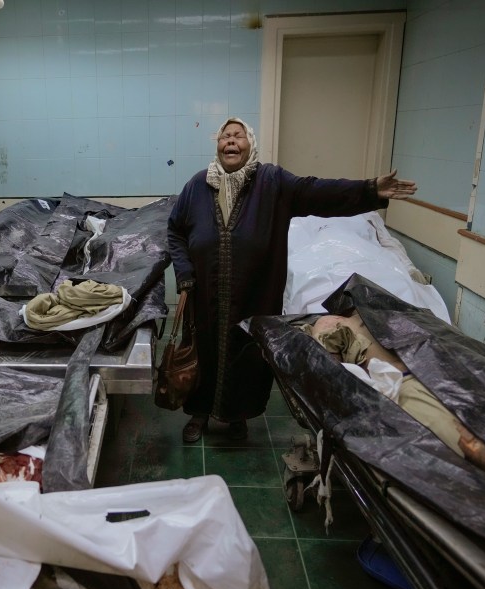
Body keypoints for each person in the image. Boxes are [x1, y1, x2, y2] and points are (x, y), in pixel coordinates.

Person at [167, 117, 418, 443]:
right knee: (203, 349)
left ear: (250, 143)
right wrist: (185, 272)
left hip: (254, 293)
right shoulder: (197, 185)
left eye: (238, 135)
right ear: (217, 145)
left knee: (246, 356)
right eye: (225, 136)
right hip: (204, 293)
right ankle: (198, 414)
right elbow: (175, 230)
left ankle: (236, 417)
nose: (231, 141)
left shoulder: (271, 182)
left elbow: (318, 192)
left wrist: (369, 190)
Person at [303, 312, 485, 475]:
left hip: (419, 377)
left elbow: (327, 367)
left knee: (468, 439)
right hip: (435, 375)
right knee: (470, 439)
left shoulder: (338, 321)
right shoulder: (384, 315)